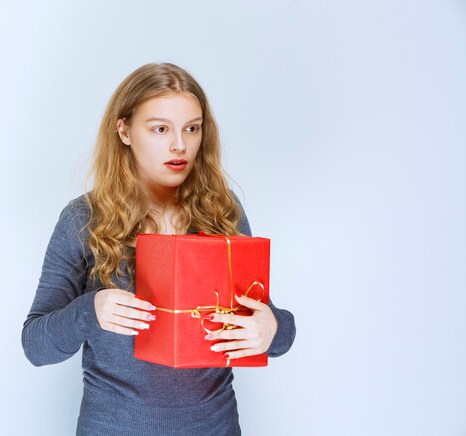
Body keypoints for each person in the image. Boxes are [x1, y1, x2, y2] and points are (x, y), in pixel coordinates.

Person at [21, 62, 296, 435]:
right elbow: (36, 346)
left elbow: (267, 322)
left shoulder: (223, 209)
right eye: (160, 129)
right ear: (125, 130)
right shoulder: (82, 219)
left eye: (191, 128)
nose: (179, 144)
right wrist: (90, 310)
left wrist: (273, 328)